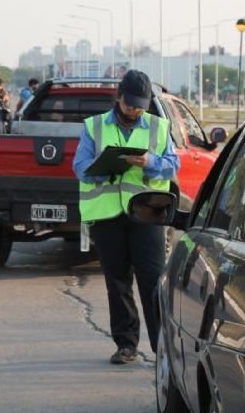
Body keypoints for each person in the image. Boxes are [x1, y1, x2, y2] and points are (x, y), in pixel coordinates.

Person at [72, 69, 180, 364]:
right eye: (130, 105)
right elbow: (80, 166)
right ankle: (126, 344)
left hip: (147, 214)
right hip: (108, 216)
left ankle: (161, 346)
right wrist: (105, 166)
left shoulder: (158, 126)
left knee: (152, 281)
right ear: (119, 97)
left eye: (140, 106)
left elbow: (173, 165)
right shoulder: (94, 126)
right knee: (117, 282)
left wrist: (149, 162)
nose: (135, 111)